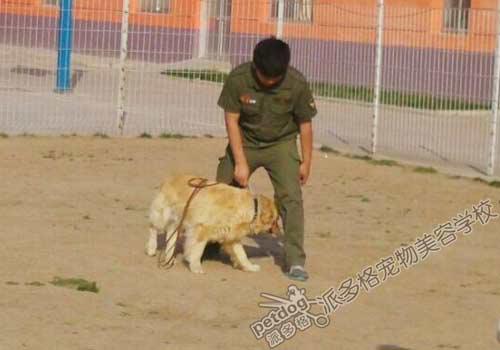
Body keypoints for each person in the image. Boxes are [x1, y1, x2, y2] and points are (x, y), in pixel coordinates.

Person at [215, 37, 317, 281]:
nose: (270, 82)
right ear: (255, 67)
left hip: (280, 144)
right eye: (265, 77)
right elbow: (231, 120)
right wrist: (240, 162)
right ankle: (212, 241)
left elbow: (305, 124)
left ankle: (295, 261)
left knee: (291, 197)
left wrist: (306, 162)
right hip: (246, 140)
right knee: (221, 188)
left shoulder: (296, 83)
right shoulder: (238, 79)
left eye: (275, 78)